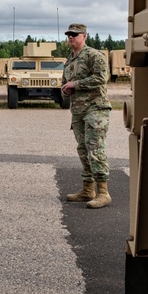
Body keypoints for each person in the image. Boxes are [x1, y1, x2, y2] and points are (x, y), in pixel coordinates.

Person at [61, 23, 112, 208]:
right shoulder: (70, 60)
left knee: (95, 149)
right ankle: (88, 190)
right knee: (83, 150)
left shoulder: (93, 55)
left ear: (84, 36)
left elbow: (101, 78)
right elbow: (65, 83)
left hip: (95, 109)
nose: (71, 37)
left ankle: (103, 193)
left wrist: (76, 85)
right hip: (78, 111)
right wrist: (65, 90)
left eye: (74, 34)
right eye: (69, 35)